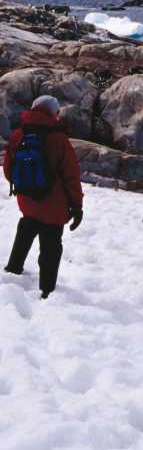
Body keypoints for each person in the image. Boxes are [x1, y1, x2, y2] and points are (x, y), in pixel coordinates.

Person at [3, 95, 83, 298]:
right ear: (53, 113)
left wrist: (25, 185)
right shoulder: (59, 139)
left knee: (26, 228)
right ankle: (47, 289)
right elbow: (71, 176)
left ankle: (13, 270)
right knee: (51, 246)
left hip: (27, 200)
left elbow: (8, 170)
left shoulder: (18, 134)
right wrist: (77, 206)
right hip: (53, 205)